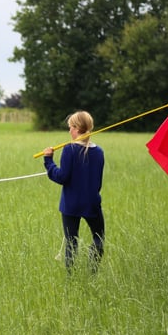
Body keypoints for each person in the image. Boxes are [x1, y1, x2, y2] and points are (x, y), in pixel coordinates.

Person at [43, 111, 105, 275]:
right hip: (92, 203)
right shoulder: (99, 152)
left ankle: (71, 278)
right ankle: (93, 273)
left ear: (77, 129)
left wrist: (48, 161)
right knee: (98, 238)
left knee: (71, 242)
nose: (69, 131)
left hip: (71, 204)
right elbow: (98, 182)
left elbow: (62, 177)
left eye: (70, 127)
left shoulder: (69, 149)